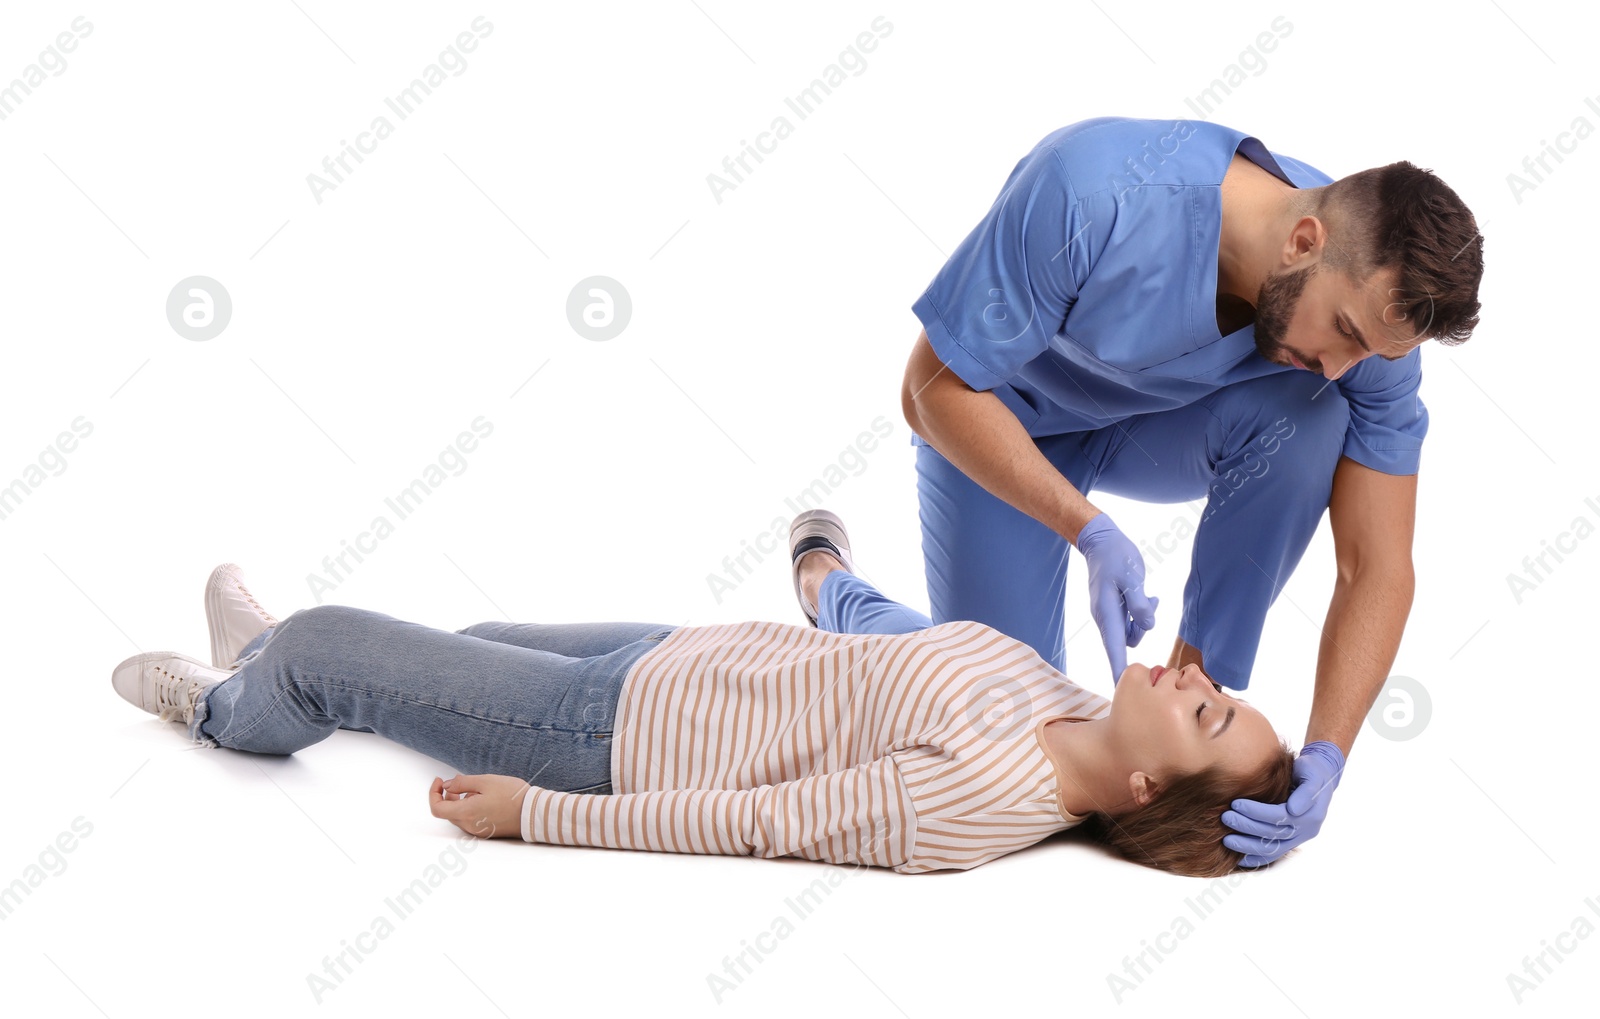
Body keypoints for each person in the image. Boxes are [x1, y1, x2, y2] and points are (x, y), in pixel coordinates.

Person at [901, 115, 1485, 865]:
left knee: (1314, 417)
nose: (1345, 363)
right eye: (1342, 330)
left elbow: (1377, 565)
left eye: (1368, 350)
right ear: (1304, 240)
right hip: (995, 427)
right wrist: (1089, 529)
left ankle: (1189, 703)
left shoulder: (1367, 330)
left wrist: (1330, 752)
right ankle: (832, 584)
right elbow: (929, 388)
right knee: (986, 715)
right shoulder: (1091, 191)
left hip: (1149, 428)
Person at [111, 515, 1294, 878]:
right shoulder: (1066, 692)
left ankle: (231, 702)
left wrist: (537, 812)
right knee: (457, 640)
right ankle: (271, 663)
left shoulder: (975, 806)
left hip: (606, 737)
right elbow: (900, 643)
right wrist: (823, 569)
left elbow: (760, 824)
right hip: (676, 655)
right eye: (1216, 689)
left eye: (1205, 713)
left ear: (1145, 789)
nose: (1194, 675)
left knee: (334, 648)